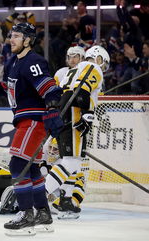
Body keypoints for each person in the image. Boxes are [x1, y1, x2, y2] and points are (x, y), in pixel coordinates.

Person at [0, 22, 63, 236]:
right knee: (32, 169)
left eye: (17, 36)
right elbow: (5, 87)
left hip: (33, 120)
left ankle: (26, 214)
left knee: (17, 165)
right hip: (24, 120)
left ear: (28, 40)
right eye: (11, 36)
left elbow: (49, 88)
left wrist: (53, 109)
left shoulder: (34, 62)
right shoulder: (12, 63)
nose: (12, 39)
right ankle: (43, 213)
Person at [45, 45, 110, 218]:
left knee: (72, 162)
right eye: (103, 63)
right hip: (74, 112)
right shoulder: (92, 67)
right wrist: (87, 113)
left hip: (63, 111)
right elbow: (81, 90)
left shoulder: (73, 70)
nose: (103, 67)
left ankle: (66, 201)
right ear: (98, 58)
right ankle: (41, 195)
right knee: (71, 162)